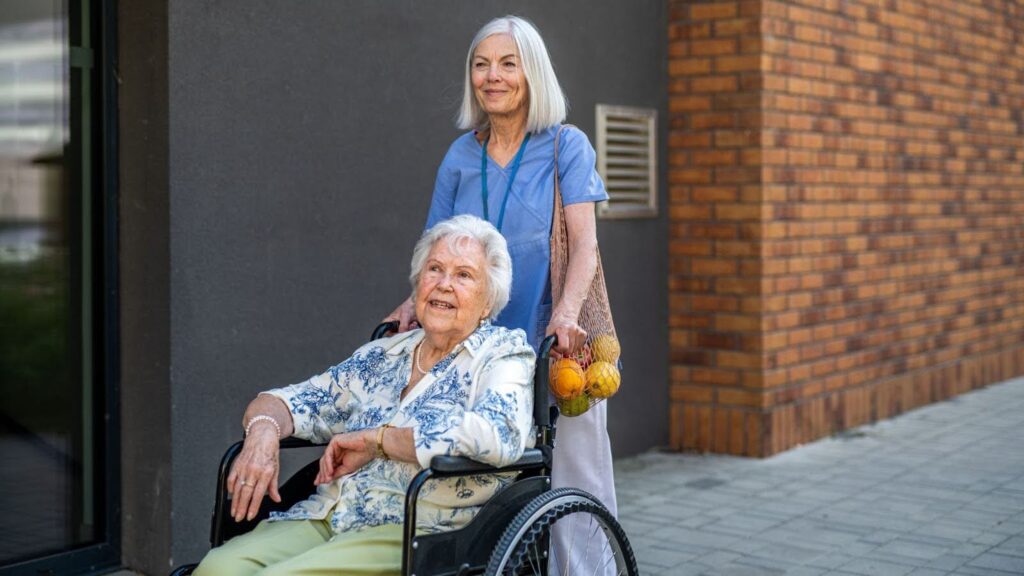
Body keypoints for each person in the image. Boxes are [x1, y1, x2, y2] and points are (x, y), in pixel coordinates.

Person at [385, 15, 617, 575]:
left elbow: (584, 245)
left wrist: (565, 314)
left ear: (531, 73)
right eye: (481, 64)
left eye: (508, 63)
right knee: (474, 476)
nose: (493, 76)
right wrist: (410, 303)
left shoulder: (566, 145)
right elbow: (435, 249)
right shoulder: (462, 156)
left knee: (575, 479)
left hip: (553, 345)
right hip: (477, 350)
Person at [195, 215, 535, 576]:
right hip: (330, 513)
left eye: (464, 275)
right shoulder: (383, 355)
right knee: (217, 568)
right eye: (435, 269)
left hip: (418, 528)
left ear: (488, 301)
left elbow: (497, 433)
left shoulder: (502, 355)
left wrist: (381, 441)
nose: (444, 284)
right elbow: (296, 400)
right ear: (418, 283)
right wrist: (262, 432)